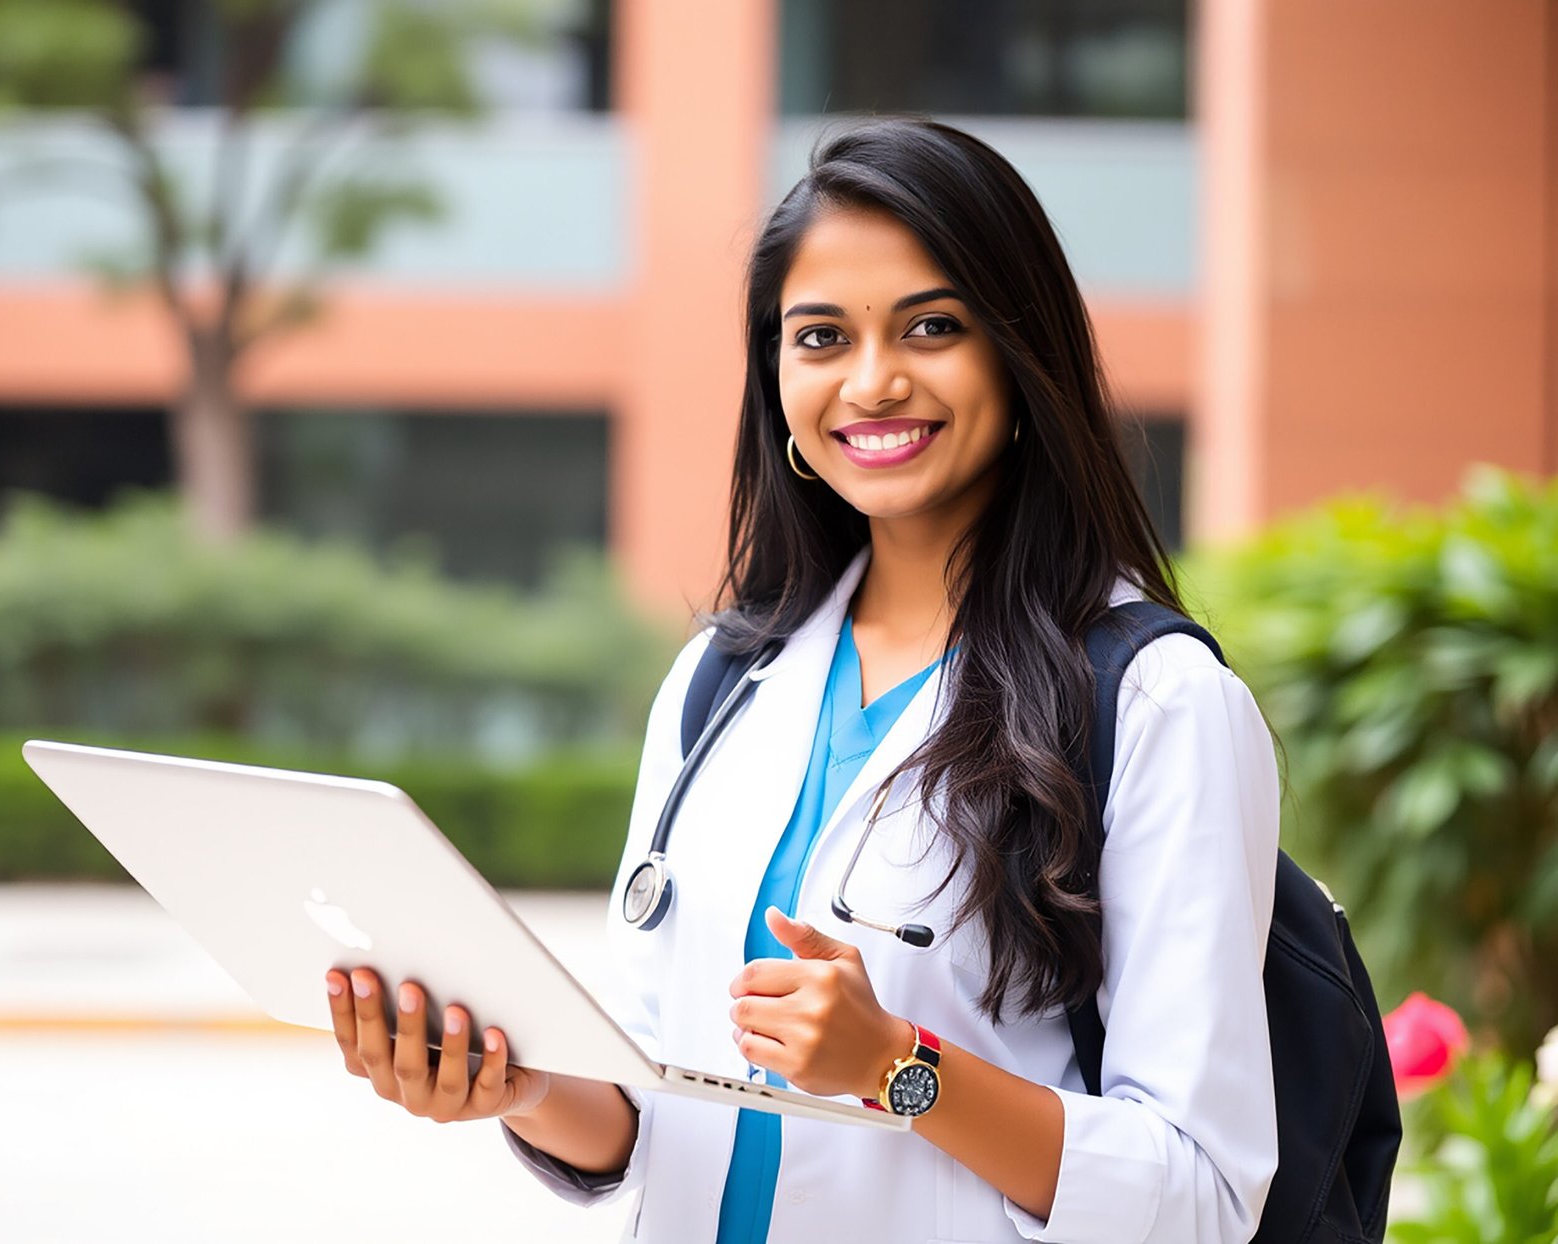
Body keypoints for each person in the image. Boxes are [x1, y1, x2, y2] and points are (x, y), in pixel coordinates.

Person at [323, 117, 1280, 1243]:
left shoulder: (1156, 702)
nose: (871, 383)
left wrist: (898, 1066)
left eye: (931, 327)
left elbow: (1199, 1196)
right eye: (820, 336)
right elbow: (647, 1105)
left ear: (1022, 359)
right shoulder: (720, 680)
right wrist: (517, 1080)